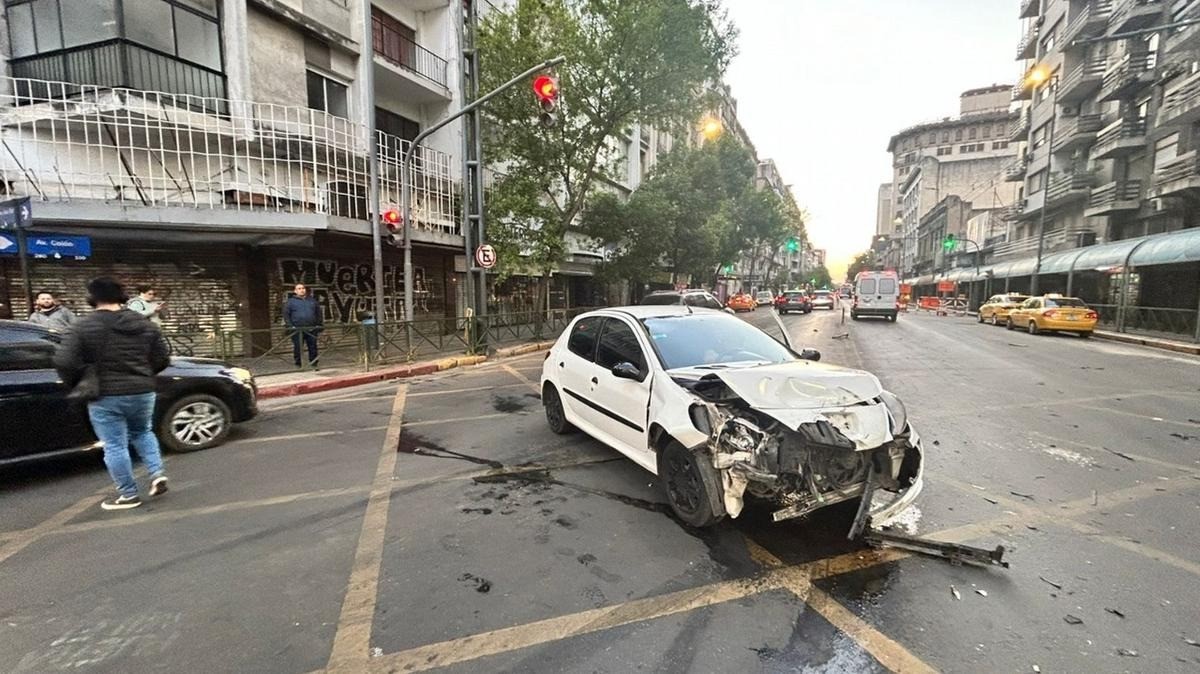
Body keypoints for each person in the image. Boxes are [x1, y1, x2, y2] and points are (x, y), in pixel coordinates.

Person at [53, 278, 171, 511]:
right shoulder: (144, 323)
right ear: (122, 296)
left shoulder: (81, 326)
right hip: (142, 390)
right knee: (143, 432)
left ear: (91, 298)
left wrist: (78, 381)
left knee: (115, 445)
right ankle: (157, 473)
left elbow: (64, 361)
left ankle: (128, 494)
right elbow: (162, 358)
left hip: (105, 394)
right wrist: (144, 374)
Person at [283, 283, 322, 368]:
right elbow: (286, 315)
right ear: (295, 291)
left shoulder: (312, 301)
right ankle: (298, 364)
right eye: (299, 288)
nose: (302, 290)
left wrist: (318, 325)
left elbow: (318, 313)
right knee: (298, 347)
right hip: (297, 330)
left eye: (303, 288)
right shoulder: (290, 302)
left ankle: (314, 363)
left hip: (311, 329)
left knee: (313, 347)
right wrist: (290, 326)